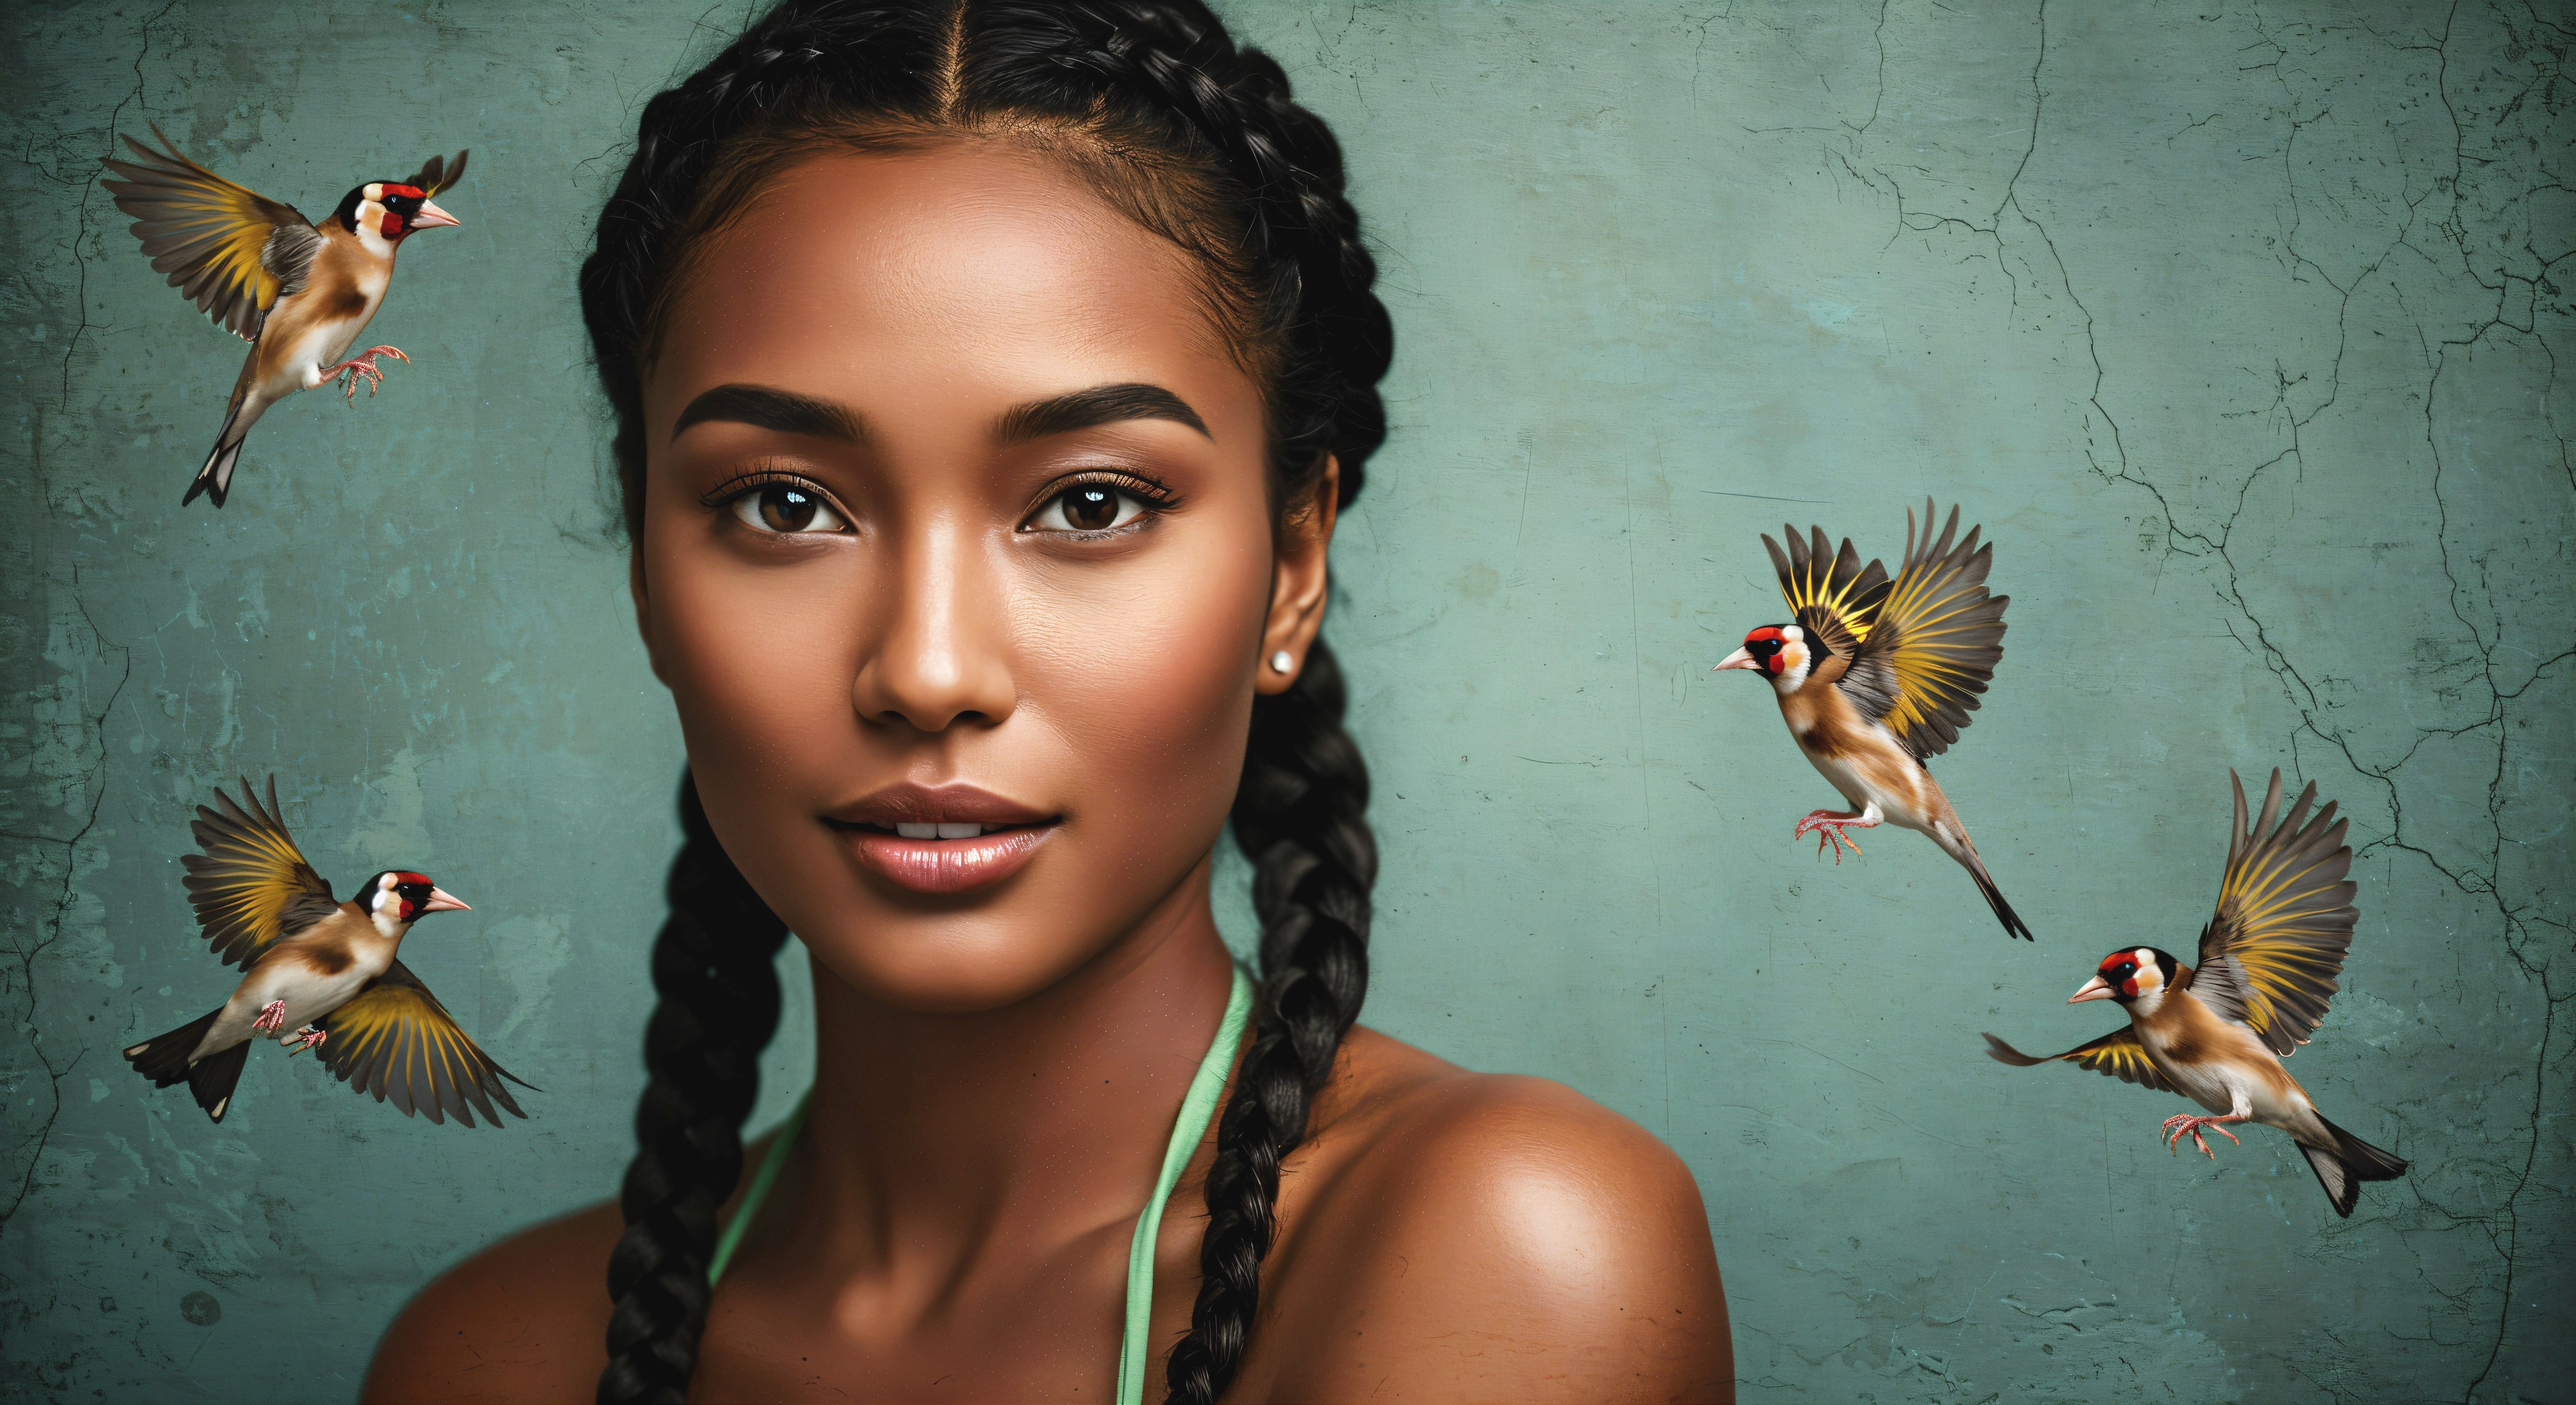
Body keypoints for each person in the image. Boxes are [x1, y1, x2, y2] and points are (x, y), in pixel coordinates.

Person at [364, 2, 1731, 1400]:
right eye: (785, 505)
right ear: (650, 572)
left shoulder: (1506, 1252)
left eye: (1090, 504)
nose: (929, 670)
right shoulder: (487, 1361)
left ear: (1293, 566)